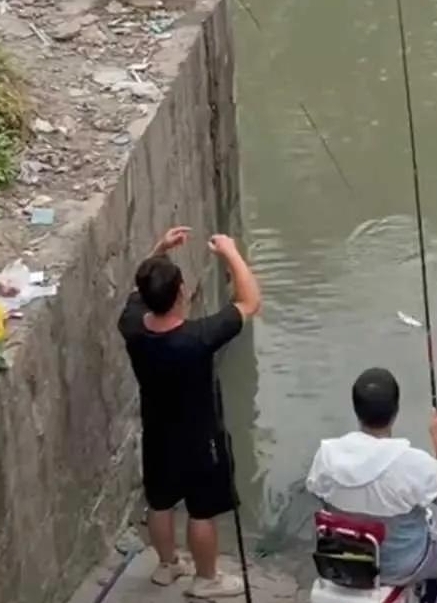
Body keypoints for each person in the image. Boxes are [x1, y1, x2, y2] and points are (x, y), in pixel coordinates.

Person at [119, 226, 261, 600]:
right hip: (200, 438)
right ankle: (207, 578)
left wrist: (159, 249)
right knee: (201, 511)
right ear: (182, 292)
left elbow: (139, 287)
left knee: (160, 501)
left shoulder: (132, 326)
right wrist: (231, 252)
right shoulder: (199, 337)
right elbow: (250, 302)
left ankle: (167, 565)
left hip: (157, 431)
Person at [306, 368, 437, 603]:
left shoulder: (326, 454)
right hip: (401, 565)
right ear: (396, 410)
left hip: (343, 559)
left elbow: (317, 492)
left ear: (356, 409)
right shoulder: (411, 462)